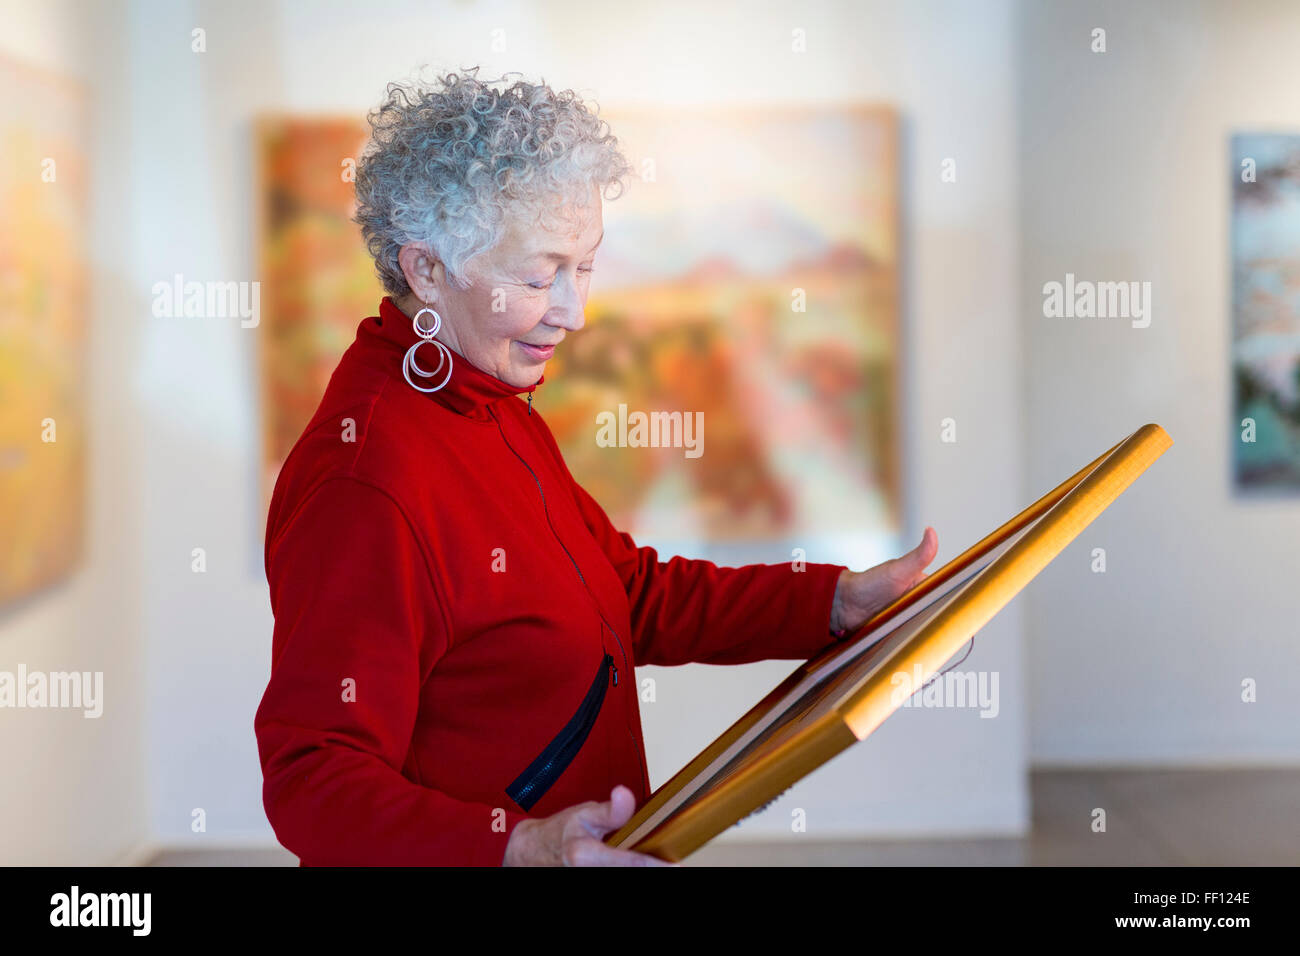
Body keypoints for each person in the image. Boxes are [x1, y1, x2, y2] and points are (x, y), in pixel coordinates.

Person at [253, 67, 938, 866]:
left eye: (585, 266)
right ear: (426, 269)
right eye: (540, 276)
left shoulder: (492, 402)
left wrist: (833, 603)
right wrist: (516, 848)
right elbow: (312, 779)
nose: (574, 312)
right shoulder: (365, 481)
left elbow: (628, 592)